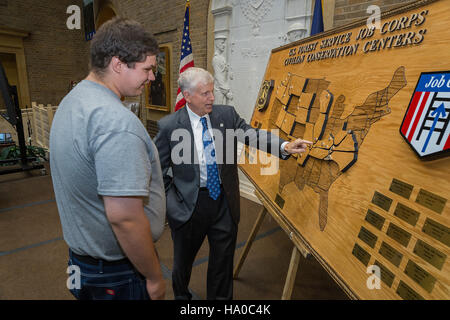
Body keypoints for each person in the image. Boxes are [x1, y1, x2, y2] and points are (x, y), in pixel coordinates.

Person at [154, 67, 311, 300]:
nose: (212, 98)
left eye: (212, 91)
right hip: (188, 205)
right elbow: (157, 170)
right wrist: (171, 199)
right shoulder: (169, 126)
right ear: (186, 96)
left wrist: (284, 146)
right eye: (204, 93)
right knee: (183, 264)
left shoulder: (226, 115)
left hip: (224, 203)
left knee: (222, 265)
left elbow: (252, 134)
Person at [50, 18, 166, 300]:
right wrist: (153, 277)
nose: (152, 77)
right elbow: (125, 218)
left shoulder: (73, 100)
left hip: (83, 263)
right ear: (118, 64)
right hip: (118, 274)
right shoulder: (116, 122)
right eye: (147, 69)